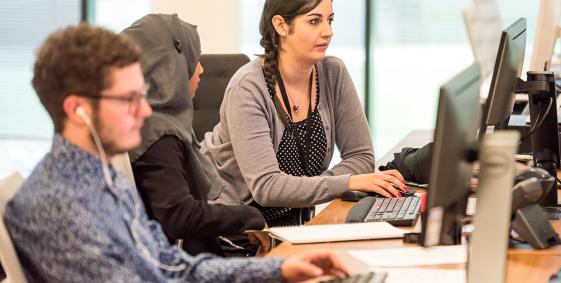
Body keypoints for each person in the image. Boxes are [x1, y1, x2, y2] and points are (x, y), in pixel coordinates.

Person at [3, 22, 348, 282]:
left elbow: (170, 264)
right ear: (78, 110)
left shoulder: (104, 178)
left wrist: (278, 270)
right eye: (128, 99)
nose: (143, 111)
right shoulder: (60, 205)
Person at [201, 0, 407, 226]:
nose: (328, 32)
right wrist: (347, 182)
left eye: (329, 20)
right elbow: (267, 187)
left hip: (296, 225)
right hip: (239, 231)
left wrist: (311, 187)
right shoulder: (248, 88)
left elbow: (361, 157)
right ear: (281, 25)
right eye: (314, 21)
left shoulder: (333, 73)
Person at [121, 14, 268, 257]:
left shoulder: (156, 123)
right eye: (194, 59)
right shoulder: (158, 133)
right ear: (171, 66)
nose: (201, 69)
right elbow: (179, 216)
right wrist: (248, 217)